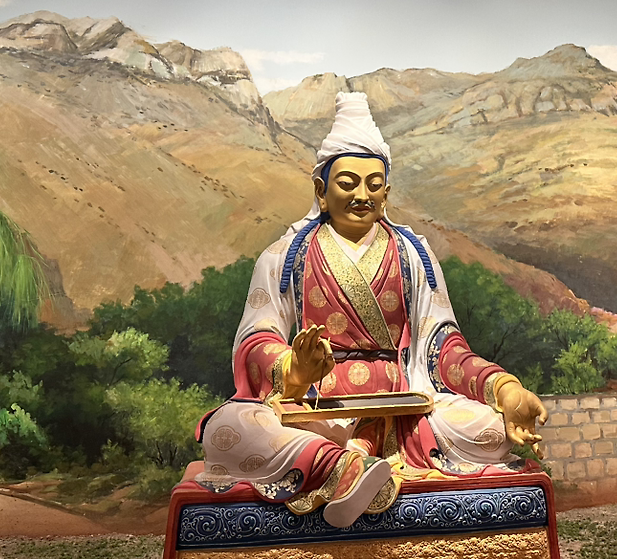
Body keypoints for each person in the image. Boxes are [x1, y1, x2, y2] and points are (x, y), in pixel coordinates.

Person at [197, 92, 547, 528]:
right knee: (228, 430)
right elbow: (256, 338)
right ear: (321, 191)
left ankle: (342, 464)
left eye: (373, 184)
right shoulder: (283, 257)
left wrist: (504, 388)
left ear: (386, 192)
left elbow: (443, 348)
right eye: (347, 184)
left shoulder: (414, 255)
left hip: (400, 410)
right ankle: (345, 466)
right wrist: (294, 368)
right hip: (315, 407)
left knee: (488, 429)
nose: (362, 195)